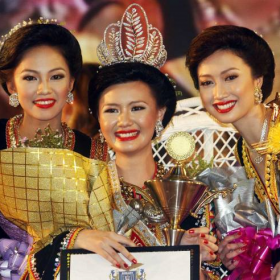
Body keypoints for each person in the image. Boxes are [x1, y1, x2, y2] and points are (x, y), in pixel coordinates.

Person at [87, 3, 218, 279]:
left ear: (159, 113)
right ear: (99, 119)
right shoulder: (84, 191)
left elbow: (213, 272)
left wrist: (192, 257)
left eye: (137, 108)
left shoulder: (190, 196)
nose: (124, 121)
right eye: (111, 110)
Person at [0, 18, 110, 279]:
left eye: (56, 76)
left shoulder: (92, 152)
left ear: (71, 82)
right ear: (12, 85)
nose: (44, 89)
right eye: (30, 77)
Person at [186, 25, 279, 276]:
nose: (218, 93)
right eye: (207, 82)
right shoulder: (243, 149)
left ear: (257, 78)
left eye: (230, 77)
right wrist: (233, 252)